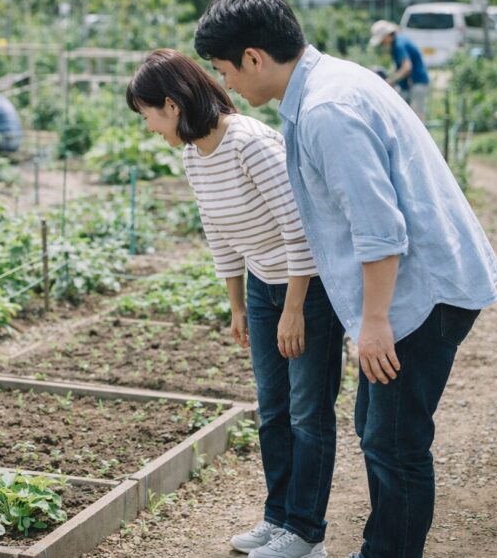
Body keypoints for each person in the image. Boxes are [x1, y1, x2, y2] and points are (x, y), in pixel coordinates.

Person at [195, 0, 497, 558]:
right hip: (415, 285)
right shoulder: (328, 83)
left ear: (254, 57)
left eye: (224, 70)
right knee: (377, 427)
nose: (227, 85)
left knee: (394, 441)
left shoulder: (325, 110)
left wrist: (376, 322)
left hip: (422, 293)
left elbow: (378, 228)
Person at [126, 49, 344, 558]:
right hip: (264, 290)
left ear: (172, 105)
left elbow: (300, 229)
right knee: (272, 410)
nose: (148, 127)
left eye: (148, 115)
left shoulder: (249, 143)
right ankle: (278, 518)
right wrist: (239, 305)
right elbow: (219, 235)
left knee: (308, 413)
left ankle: (307, 535)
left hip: (305, 287)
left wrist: (293, 307)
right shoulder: (192, 154)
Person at [368, 20, 430, 121]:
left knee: (416, 118)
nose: (383, 43)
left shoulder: (399, 44)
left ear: (387, 35)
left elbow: (406, 67)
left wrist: (390, 81)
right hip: (411, 84)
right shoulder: (399, 41)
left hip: (416, 83)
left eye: (382, 40)